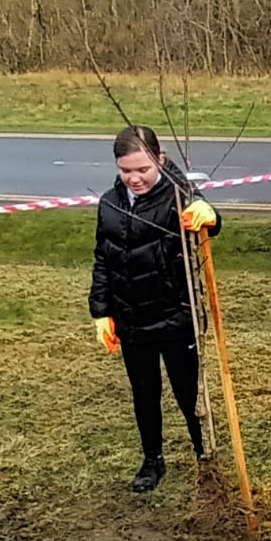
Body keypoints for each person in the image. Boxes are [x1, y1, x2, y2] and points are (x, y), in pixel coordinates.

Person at [89, 125, 221, 494]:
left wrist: (206, 212)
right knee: (144, 392)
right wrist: (101, 311)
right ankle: (152, 460)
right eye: (125, 171)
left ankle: (204, 456)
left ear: (160, 159)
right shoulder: (109, 203)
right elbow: (103, 259)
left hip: (177, 316)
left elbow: (213, 219)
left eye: (142, 170)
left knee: (187, 392)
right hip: (132, 320)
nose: (134, 178)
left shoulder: (179, 196)